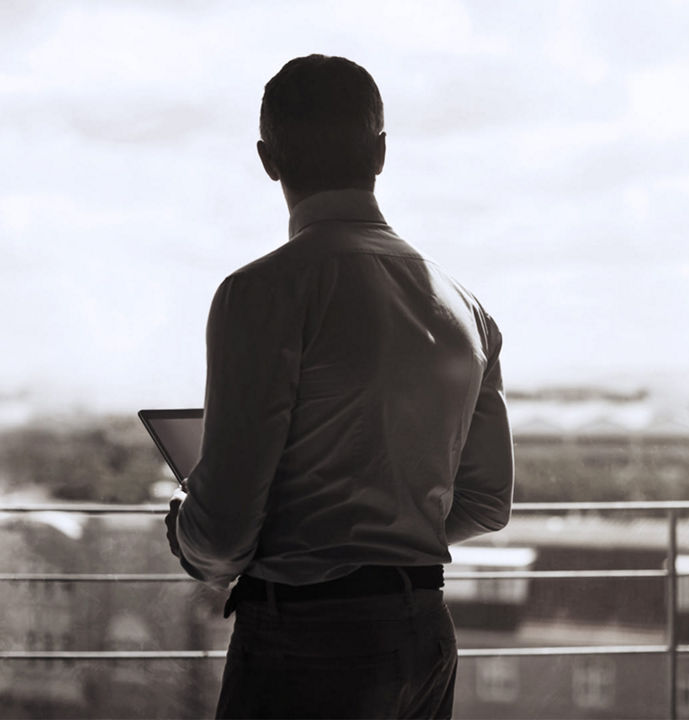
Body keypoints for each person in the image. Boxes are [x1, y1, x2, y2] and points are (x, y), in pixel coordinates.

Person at [163, 54, 514, 719]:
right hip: (424, 636)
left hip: (308, 641)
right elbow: (487, 503)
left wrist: (185, 527)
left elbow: (226, 531)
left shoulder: (260, 293)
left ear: (268, 159)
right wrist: (387, 526)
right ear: (380, 152)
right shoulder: (467, 309)